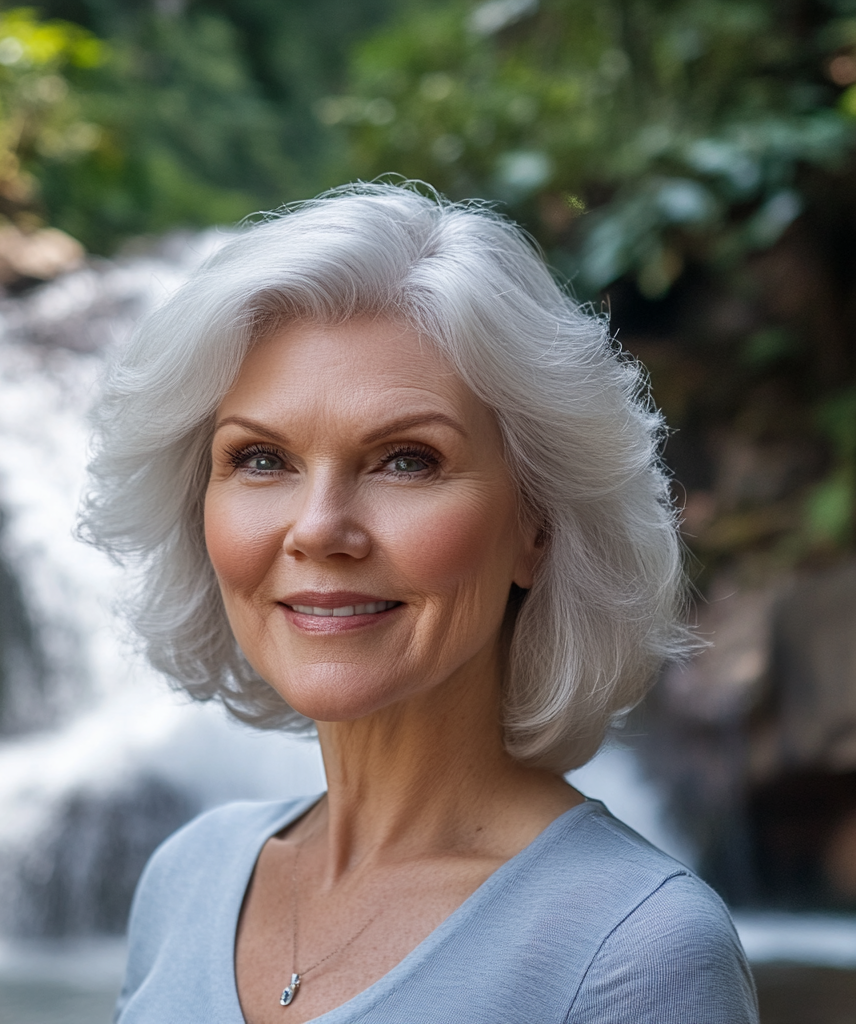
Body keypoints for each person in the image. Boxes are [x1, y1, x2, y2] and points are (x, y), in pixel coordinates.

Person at [82, 182, 758, 1023]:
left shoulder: (635, 949)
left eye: (407, 460)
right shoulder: (188, 877)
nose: (320, 529)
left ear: (536, 526)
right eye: (260, 459)